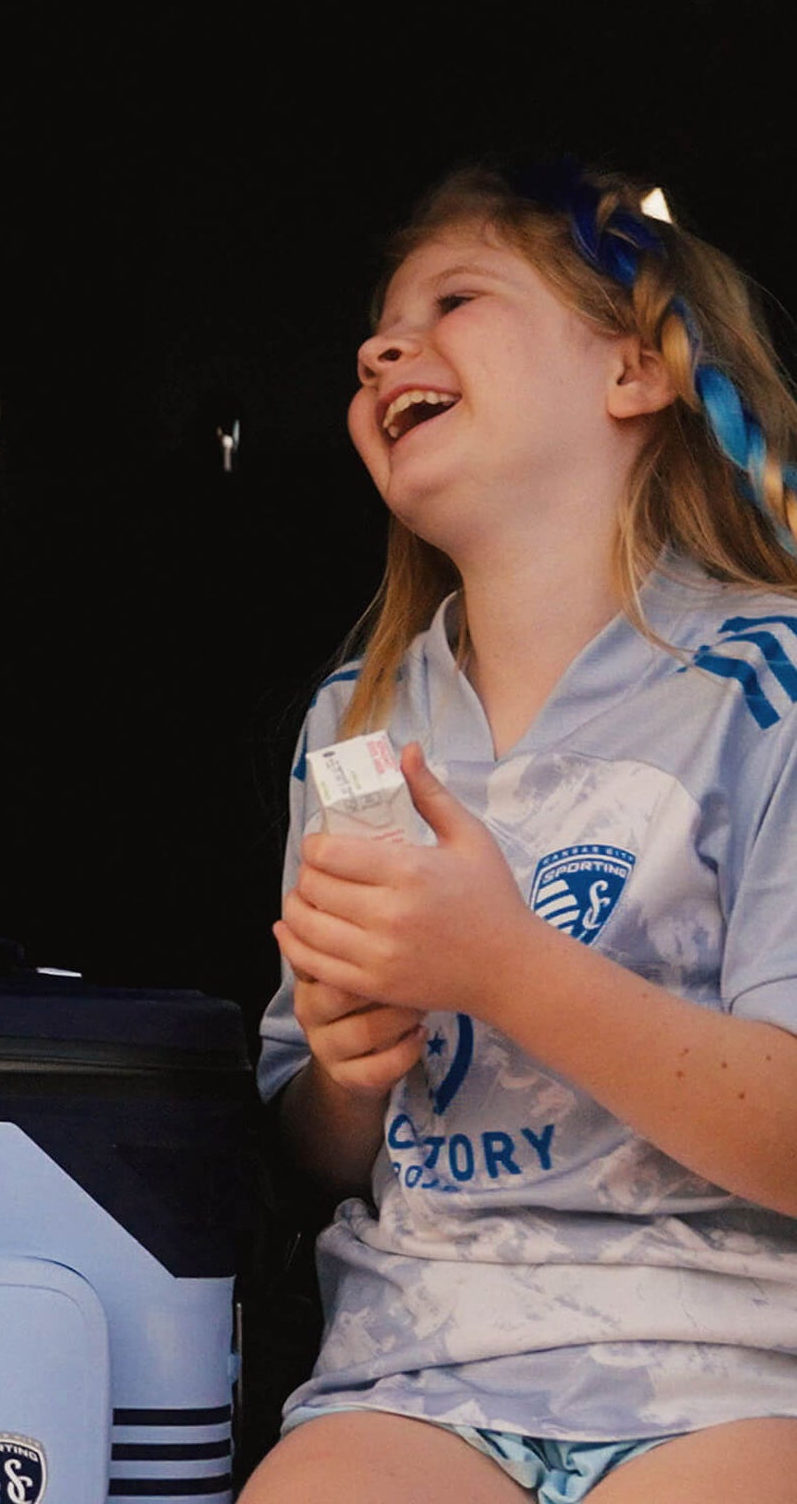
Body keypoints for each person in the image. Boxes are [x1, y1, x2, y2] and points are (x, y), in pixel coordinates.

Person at [240, 161, 797, 1504]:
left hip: (734, 1362)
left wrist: (502, 968)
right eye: (377, 327)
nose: (383, 345)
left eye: (454, 298)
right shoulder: (358, 721)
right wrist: (347, 1065)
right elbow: (318, 1150)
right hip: (422, 1363)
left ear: (633, 373)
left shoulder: (766, 686)